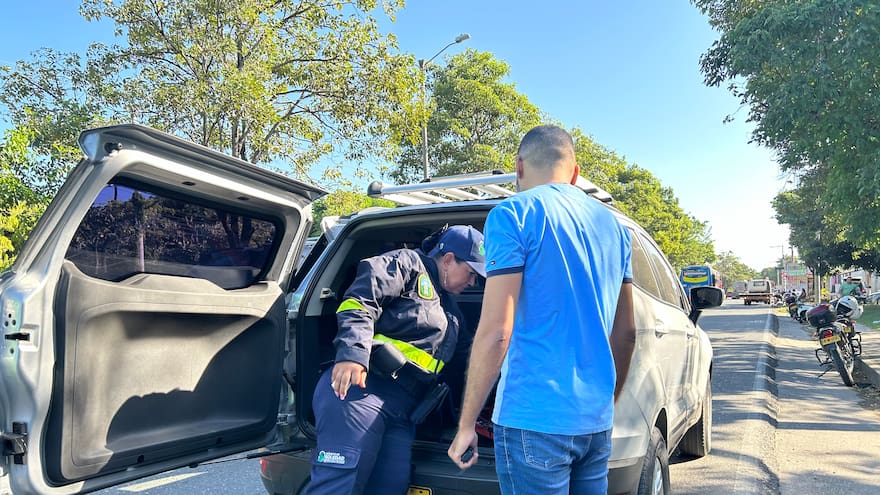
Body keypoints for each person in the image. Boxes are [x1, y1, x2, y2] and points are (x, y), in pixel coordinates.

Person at [447, 125, 637, 495]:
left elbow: (497, 332)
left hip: (533, 420)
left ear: (519, 167)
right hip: (594, 422)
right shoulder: (615, 229)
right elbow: (627, 333)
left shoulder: (512, 214)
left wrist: (467, 423)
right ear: (575, 173)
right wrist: (605, 403)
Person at [304, 224, 485, 495]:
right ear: (448, 260)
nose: (473, 282)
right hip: (361, 394)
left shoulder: (450, 309)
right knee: (338, 487)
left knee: (390, 486)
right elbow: (360, 302)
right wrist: (352, 354)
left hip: (403, 410)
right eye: (471, 273)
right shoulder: (406, 264)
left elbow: (468, 357)